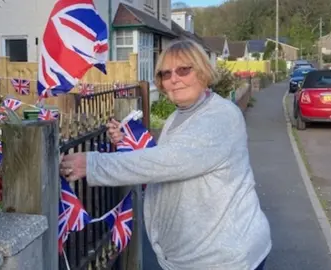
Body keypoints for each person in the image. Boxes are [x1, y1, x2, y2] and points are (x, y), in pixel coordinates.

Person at [60, 39, 272, 270]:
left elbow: (170, 161)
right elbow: (166, 158)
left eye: (183, 70)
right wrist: (125, 143)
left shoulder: (220, 117)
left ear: (202, 71)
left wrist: (92, 165)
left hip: (223, 258)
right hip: (189, 257)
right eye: (165, 73)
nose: (174, 79)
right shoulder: (179, 116)